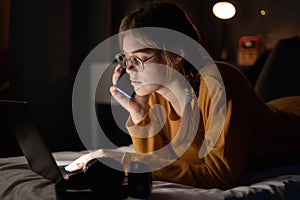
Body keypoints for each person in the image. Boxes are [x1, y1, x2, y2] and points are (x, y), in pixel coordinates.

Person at [65, 2, 300, 189]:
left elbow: (220, 175)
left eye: (138, 59)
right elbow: (160, 163)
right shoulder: (155, 92)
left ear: (176, 54)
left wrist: (124, 162)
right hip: (271, 105)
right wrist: (139, 115)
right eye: (125, 59)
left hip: (293, 124)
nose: (128, 69)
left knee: (287, 51)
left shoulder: (220, 80)